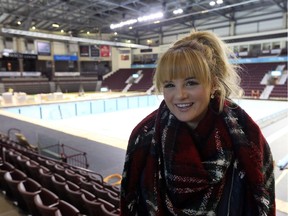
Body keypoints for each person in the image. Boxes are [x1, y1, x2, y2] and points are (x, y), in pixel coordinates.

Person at [120, 30, 275, 216]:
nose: (180, 95)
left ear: (214, 83)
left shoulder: (248, 138)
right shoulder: (143, 137)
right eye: (169, 85)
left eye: (191, 83)